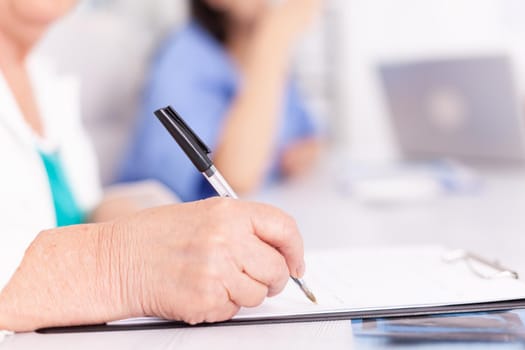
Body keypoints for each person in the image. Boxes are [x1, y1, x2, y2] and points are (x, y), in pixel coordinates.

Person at [0, 0, 305, 332]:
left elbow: (66, 217)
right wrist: (125, 261)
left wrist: (137, 219)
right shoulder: (185, 57)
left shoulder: (42, 80)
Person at [119, 0, 323, 202]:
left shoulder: (255, 58)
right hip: (171, 224)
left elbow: (308, 138)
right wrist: (275, 36)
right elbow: (236, 178)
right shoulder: (184, 58)